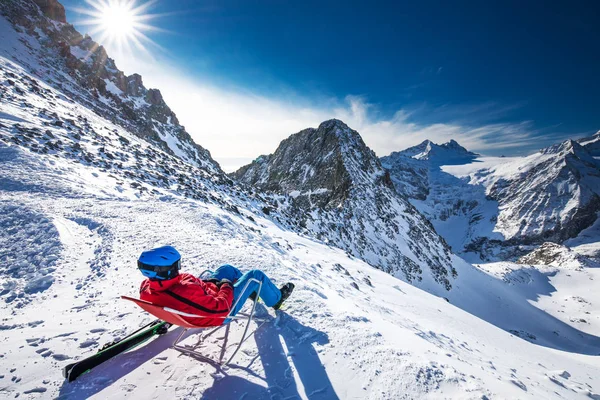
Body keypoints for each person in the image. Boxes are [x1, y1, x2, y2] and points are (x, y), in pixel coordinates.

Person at [137, 246, 294, 327]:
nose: (179, 267)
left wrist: (207, 283)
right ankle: (276, 300)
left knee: (227, 269)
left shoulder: (148, 287)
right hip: (223, 310)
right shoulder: (185, 292)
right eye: (175, 265)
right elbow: (220, 309)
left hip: (205, 294)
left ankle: (252, 292)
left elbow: (188, 291)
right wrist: (225, 286)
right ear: (165, 270)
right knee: (255, 275)